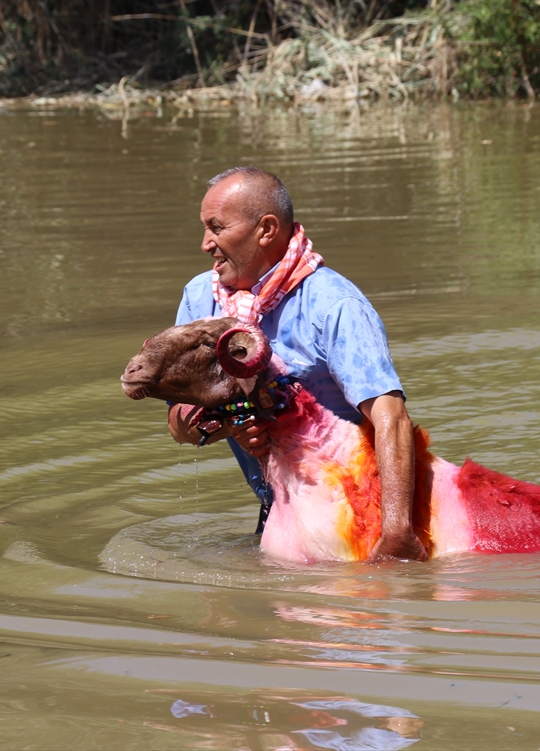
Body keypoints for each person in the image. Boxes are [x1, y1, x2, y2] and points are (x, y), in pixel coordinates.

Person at [165, 166, 428, 562]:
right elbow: (178, 425)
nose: (206, 244)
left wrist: (397, 535)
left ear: (266, 229)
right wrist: (223, 426)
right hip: (285, 511)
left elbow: (392, 418)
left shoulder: (334, 305)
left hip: (361, 511)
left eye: (216, 228)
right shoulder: (201, 299)